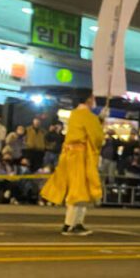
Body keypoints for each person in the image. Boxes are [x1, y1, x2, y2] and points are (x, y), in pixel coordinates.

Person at [40, 97, 104, 237]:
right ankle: (70, 224)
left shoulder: (74, 114)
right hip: (81, 157)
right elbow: (98, 138)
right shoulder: (88, 116)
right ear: (87, 99)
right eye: (92, 98)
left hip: (70, 155)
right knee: (79, 190)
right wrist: (100, 122)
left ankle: (77, 222)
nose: (94, 101)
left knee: (80, 190)